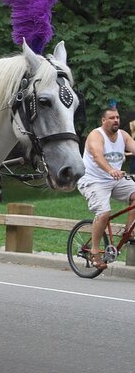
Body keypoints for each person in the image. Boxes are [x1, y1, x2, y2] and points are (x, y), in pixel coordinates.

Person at [77, 106, 135, 270]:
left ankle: (129, 232)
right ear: (103, 121)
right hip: (93, 180)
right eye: (112, 118)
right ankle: (94, 252)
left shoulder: (123, 136)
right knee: (104, 213)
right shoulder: (96, 135)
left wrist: (114, 173)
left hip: (115, 179)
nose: (116, 120)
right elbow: (97, 156)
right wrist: (111, 170)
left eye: (117, 117)